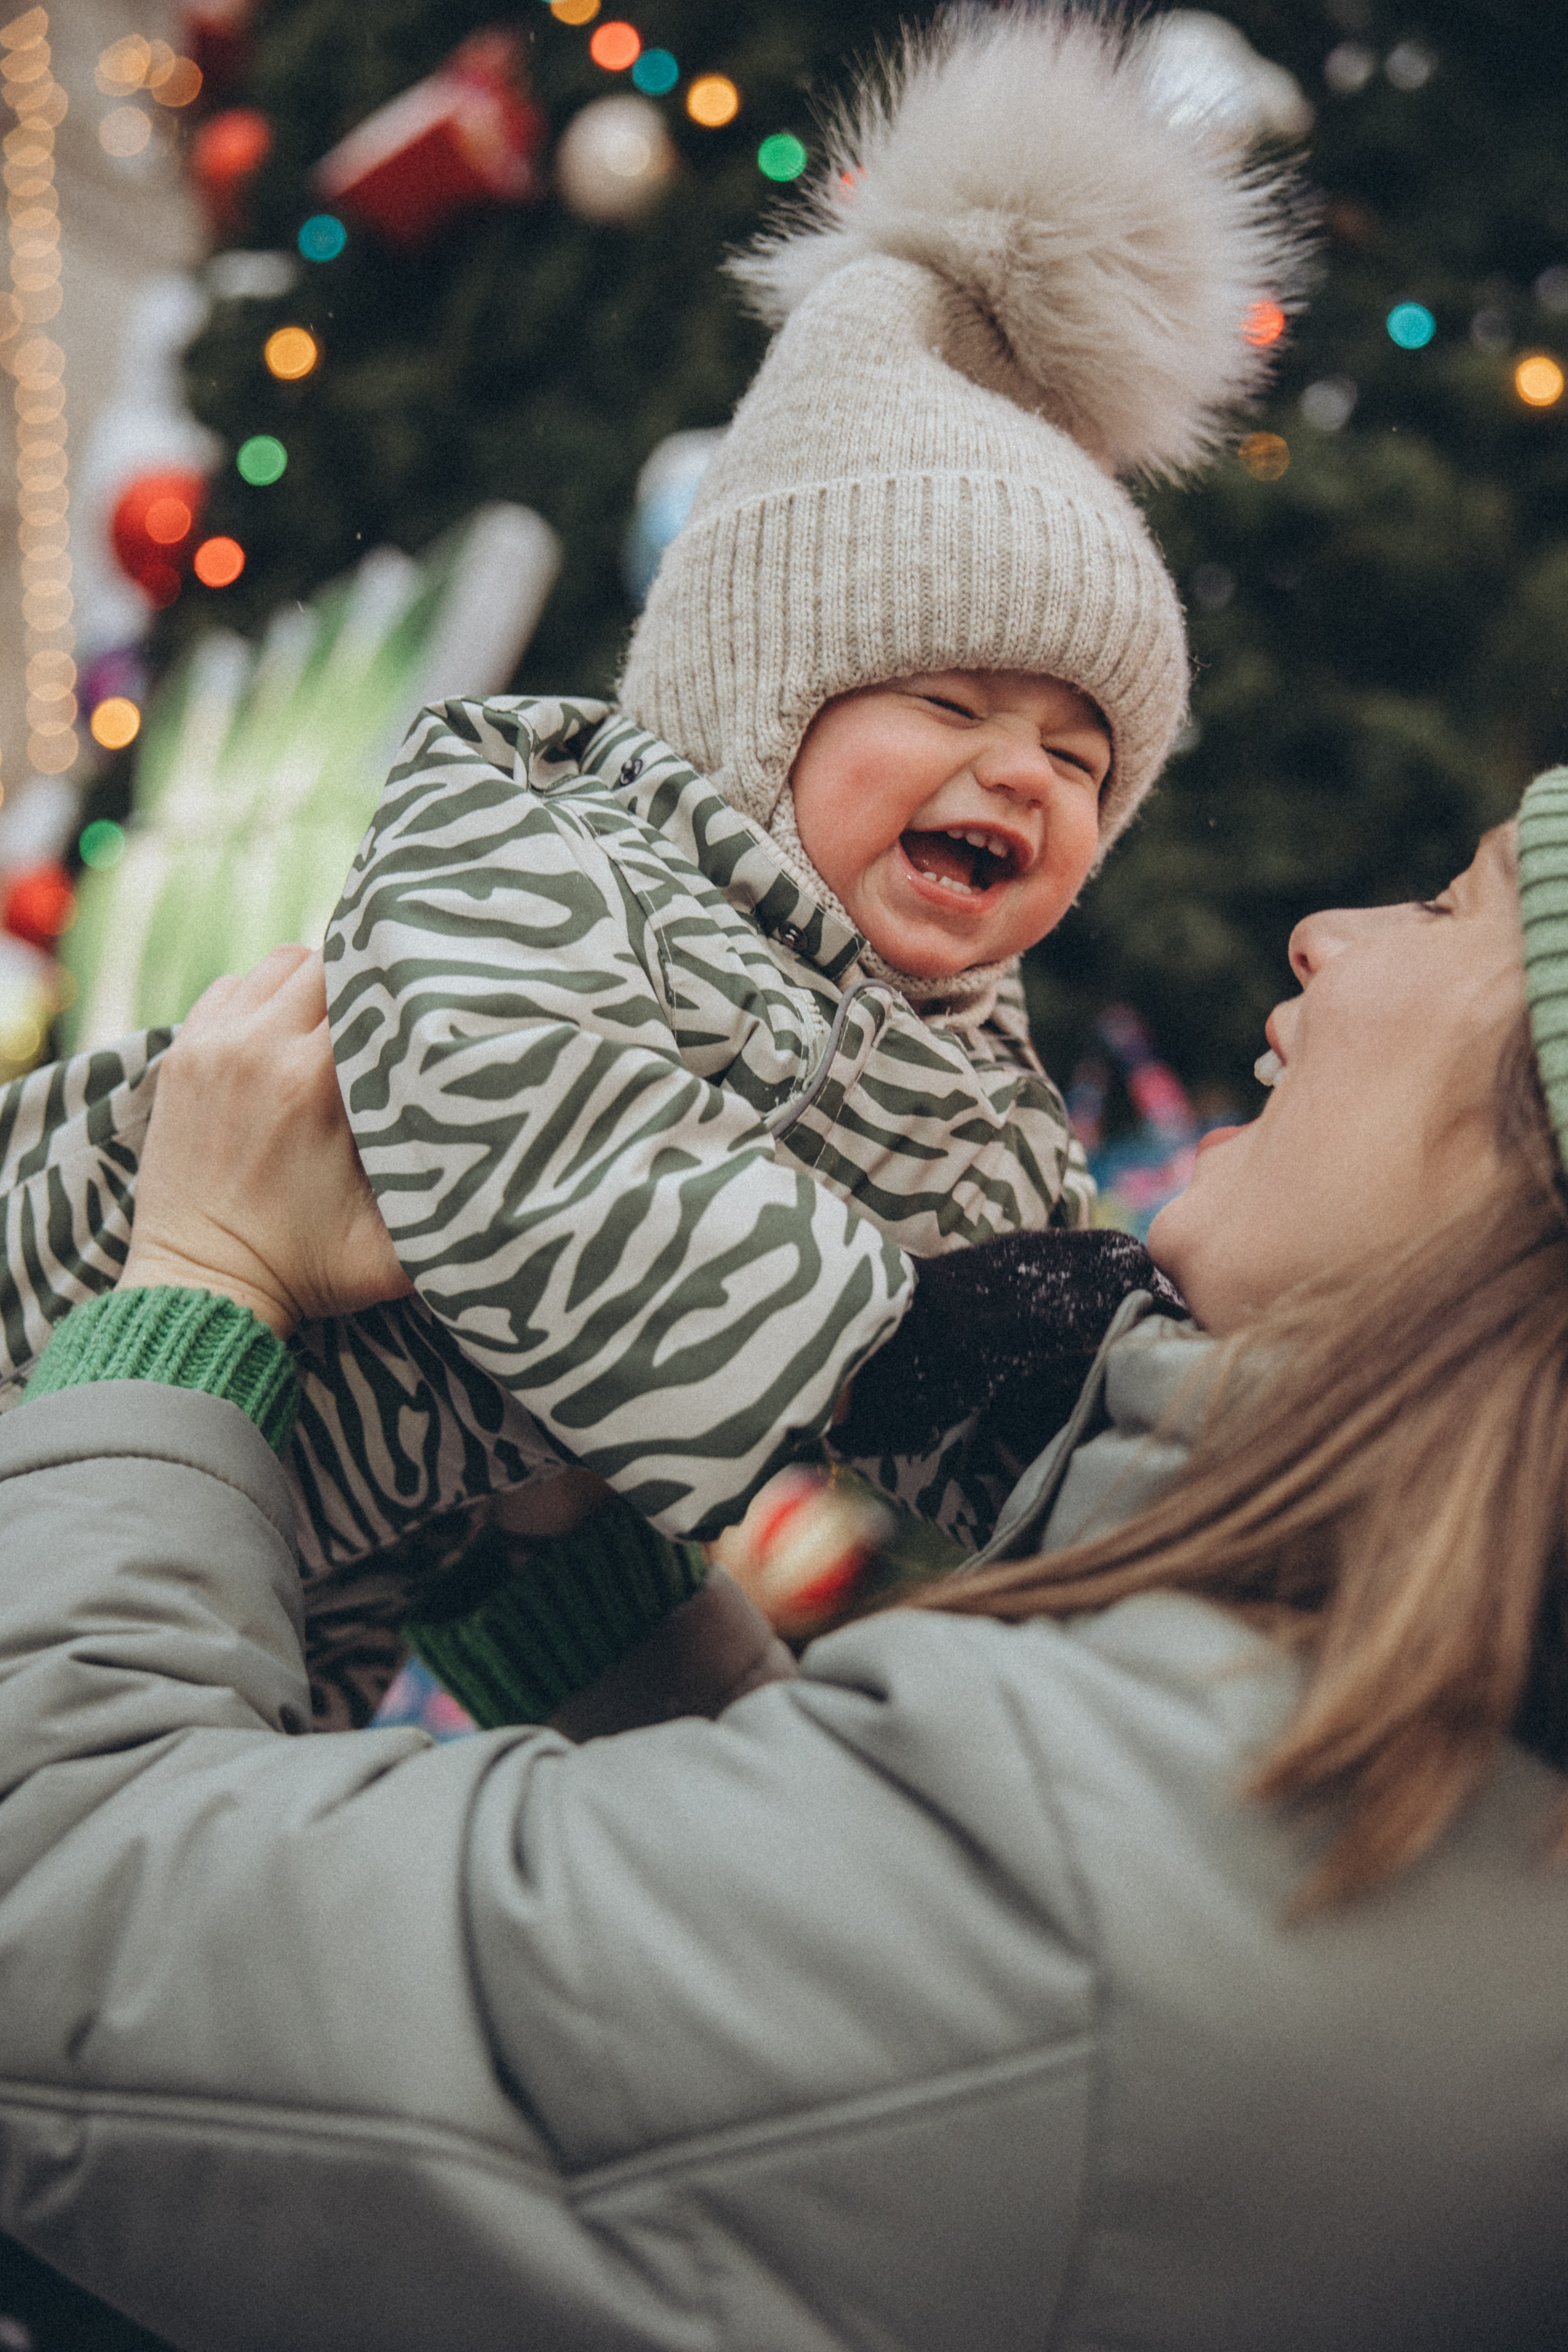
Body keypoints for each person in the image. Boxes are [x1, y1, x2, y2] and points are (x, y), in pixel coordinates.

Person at [2, 770, 1567, 2350]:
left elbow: (62, 1933)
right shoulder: (1433, 1779)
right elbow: (805, 2093)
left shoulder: (1178, 1876)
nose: (1327, 937)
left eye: (1457, 907)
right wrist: (555, 1561)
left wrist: (196, 1283)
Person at [0, 6, 1305, 1732]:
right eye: (947, 701)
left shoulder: (954, 1067)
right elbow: (502, 1116)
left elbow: (1029, 1296)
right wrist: (885, 1353)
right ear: (767, 693)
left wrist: (1175, 1451)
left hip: (331, 1554)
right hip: (67, 1360)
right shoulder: (542, 835)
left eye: (1082, 761)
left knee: (171, 1845)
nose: (1022, 773)